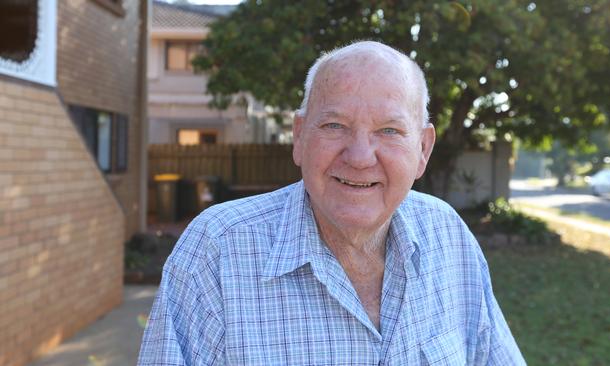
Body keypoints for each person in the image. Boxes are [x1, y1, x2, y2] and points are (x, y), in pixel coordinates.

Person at [138, 41, 525, 365]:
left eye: (388, 130)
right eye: (334, 126)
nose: (359, 156)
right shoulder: (216, 251)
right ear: (300, 136)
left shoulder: (448, 236)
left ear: (422, 149)